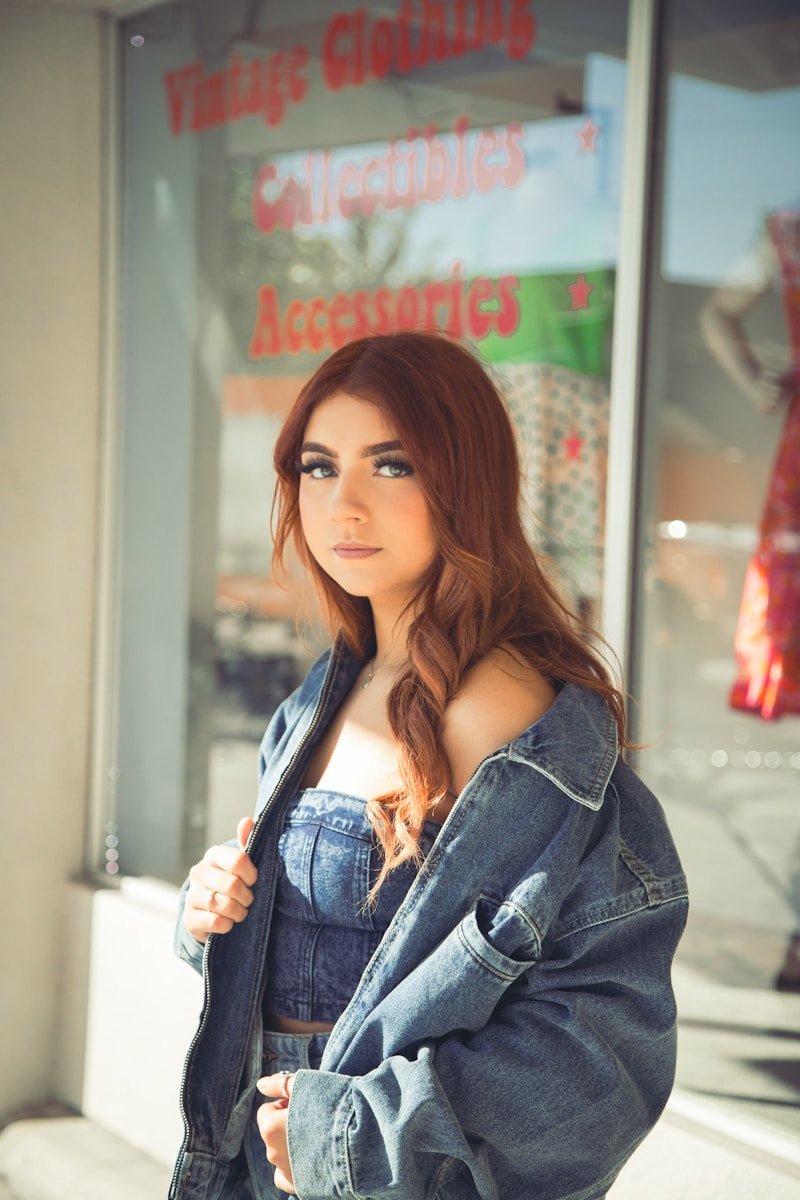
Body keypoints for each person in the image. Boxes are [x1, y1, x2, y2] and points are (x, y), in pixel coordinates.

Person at [171, 331, 688, 1200]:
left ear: (464, 480)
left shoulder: (513, 719)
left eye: (393, 465)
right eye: (319, 465)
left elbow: (598, 1051)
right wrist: (211, 910)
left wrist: (352, 1137)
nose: (344, 506)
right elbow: (299, 956)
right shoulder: (323, 695)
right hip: (256, 1155)